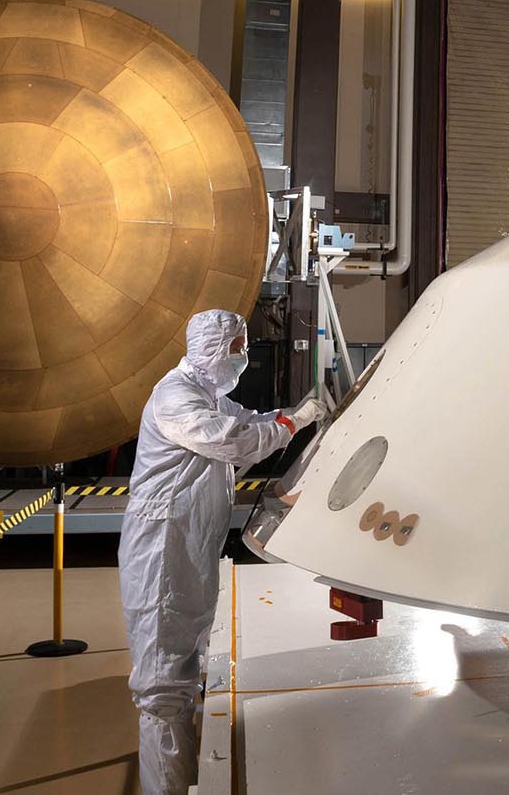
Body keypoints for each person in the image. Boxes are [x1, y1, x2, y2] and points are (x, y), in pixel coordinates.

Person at [118, 308, 326, 795]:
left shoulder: (207, 394)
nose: (243, 356)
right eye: (236, 348)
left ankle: (182, 770)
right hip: (161, 551)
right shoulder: (175, 396)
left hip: (187, 547)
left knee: (184, 658)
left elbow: (248, 421)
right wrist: (294, 423)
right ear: (210, 348)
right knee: (162, 682)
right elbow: (235, 442)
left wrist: (291, 415)